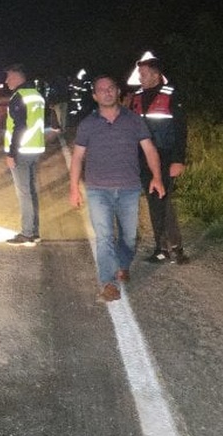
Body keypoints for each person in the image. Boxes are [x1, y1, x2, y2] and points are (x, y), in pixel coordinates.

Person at [69, 75, 166, 303]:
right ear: (94, 96)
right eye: (101, 90)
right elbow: (77, 157)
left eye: (111, 88)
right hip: (97, 189)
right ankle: (108, 283)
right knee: (104, 238)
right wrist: (73, 187)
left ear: (118, 91)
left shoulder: (134, 121)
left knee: (130, 238)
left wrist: (157, 177)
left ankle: (122, 264)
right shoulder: (88, 125)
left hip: (129, 189)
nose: (107, 92)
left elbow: (150, 149)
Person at [129, 54, 189, 264]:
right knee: (154, 202)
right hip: (143, 158)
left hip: (165, 156)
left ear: (155, 75)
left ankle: (175, 248)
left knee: (163, 201)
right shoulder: (136, 97)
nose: (140, 78)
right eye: (139, 74)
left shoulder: (171, 95)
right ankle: (161, 248)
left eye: (143, 74)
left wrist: (178, 159)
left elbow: (180, 130)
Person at [3, 64, 46, 247]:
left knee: (24, 193)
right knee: (31, 191)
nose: (6, 81)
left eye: (9, 77)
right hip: (35, 148)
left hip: (21, 150)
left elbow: (19, 127)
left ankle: (27, 233)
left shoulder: (19, 97)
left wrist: (11, 153)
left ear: (18, 78)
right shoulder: (36, 95)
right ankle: (34, 230)